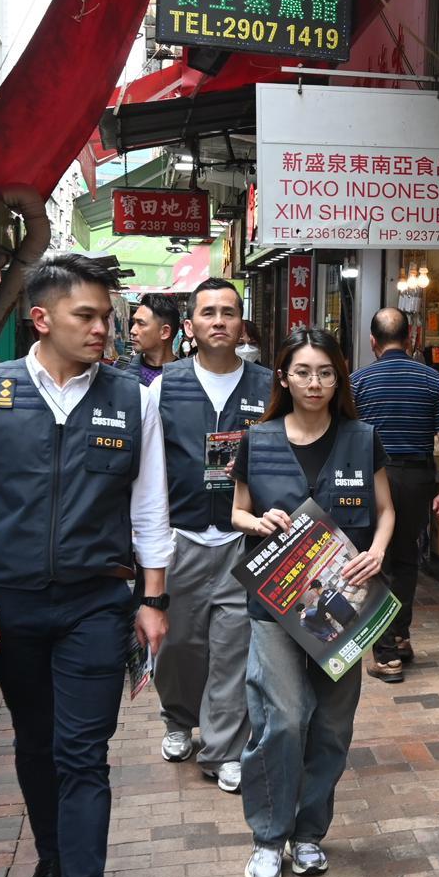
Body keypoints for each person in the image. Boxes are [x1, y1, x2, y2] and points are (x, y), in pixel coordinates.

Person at [0, 253, 171, 877]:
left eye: (109, 317)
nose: (106, 330)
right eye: (89, 317)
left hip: (97, 603)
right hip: (11, 603)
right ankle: (51, 861)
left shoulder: (135, 399)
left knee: (81, 754)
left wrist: (154, 600)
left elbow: (150, 508)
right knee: (36, 743)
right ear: (42, 319)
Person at [230, 326, 394, 877]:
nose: (315, 382)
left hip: (342, 603)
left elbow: (386, 509)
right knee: (284, 716)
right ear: (284, 377)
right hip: (275, 605)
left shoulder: (362, 436)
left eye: (325, 372)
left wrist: (377, 549)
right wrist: (258, 522)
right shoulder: (258, 439)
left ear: (339, 377)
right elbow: (237, 511)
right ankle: (268, 838)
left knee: (329, 724)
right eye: (303, 371)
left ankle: (308, 835)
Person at [149, 279, 273, 792]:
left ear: (242, 323)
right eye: (208, 312)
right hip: (181, 537)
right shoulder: (164, 386)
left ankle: (223, 748)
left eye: (229, 311)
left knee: (232, 650)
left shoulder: (268, 386)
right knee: (179, 645)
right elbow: (147, 470)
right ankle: (178, 719)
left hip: (245, 540)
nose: (219, 320)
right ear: (190, 326)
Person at [349, 307, 439, 683]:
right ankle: (399, 634)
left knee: (378, 560)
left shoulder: (358, 381)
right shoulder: (431, 380)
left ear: (372, 341)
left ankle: (386, 654)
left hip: (373, 479)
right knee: (408, 557)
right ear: (410, 339)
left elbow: (347, 435)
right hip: (417, 479)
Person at [126, 292, 180, 385]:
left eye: (141, 323)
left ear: (165, 332)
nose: (132, 330)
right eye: (133, 322)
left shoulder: (187, 377)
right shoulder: (122, 370)